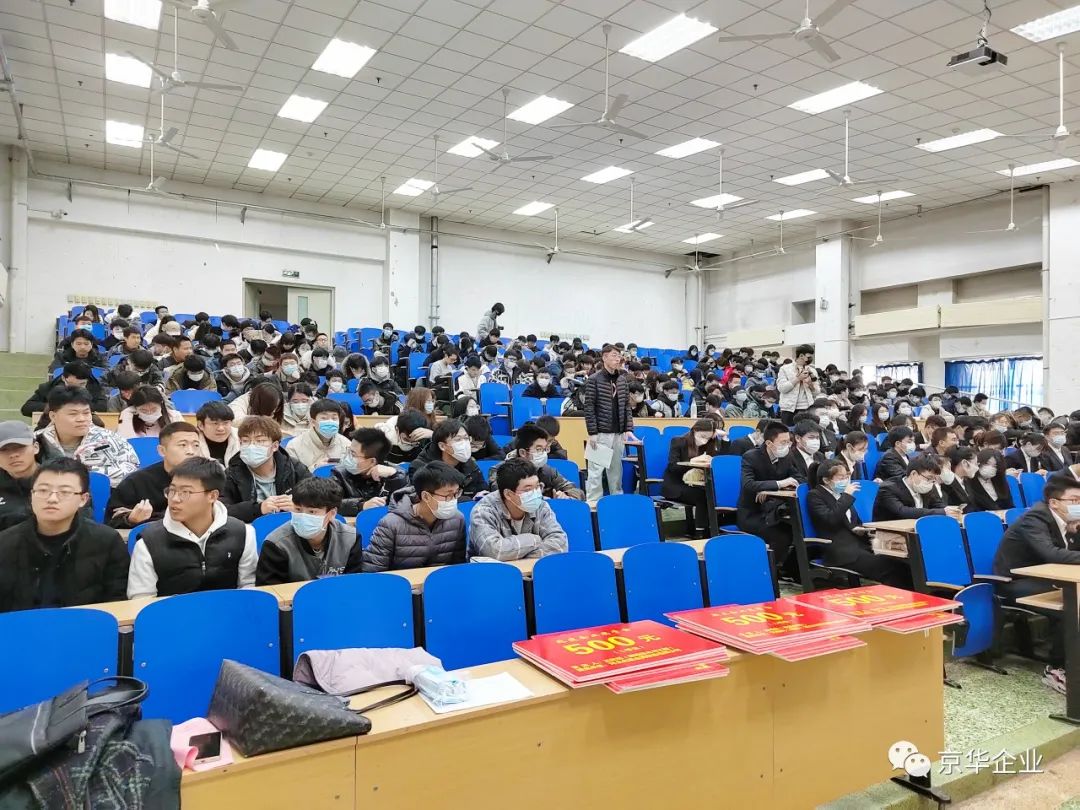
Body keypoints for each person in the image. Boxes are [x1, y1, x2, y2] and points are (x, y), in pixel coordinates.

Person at [0, 458, 129, 612]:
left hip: (84, 624)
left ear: (83, 499)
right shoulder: (5, 543)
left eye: (65, 492)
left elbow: (116, 601)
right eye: (43, 490)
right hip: (19, 626)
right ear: (31, 495)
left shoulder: (107, 542)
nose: (52, 499)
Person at [992, 474, 1080, 694]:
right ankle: (1056, 669)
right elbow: (1051, 553)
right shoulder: (1035, 518)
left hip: (1046, 579)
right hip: (1015, 582)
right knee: (1069, 607)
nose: (1078, 505)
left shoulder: (1065, 520)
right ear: (1054, 502)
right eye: (1074, 500)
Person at [128, 457, 258, 598]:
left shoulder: (243, 533)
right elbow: (142, 600)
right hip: (173, 612)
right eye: (172, 490)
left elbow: (249, 588)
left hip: (228, 610)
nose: (175, 499)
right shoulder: (149, 542)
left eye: (185, 492)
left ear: (212, 496)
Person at [808, 459, 912, 588]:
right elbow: (831, 519)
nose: (846, 481)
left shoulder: (840, 495)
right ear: (826, 480)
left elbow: (853, 521)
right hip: (841, 551)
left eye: (847, 476)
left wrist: (860, 529)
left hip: (859, 545)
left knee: (903, 563)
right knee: (888, 568)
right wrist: (847, 496)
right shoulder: (815, 496)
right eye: (841, 478)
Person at [363, 461, 466, 572]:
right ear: (426, 496)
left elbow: (458, 567)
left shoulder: (457, 519)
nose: (453, 500)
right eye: (448, 495)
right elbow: (374, 571)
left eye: (456, 493)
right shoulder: (391, 524)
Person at [255, 478, 362, 584]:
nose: (303, 516)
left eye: (312, 512)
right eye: (298, 509)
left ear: (332, 513)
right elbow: (270, 589)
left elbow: (353, 584)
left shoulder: (350, 538)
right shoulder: (276, 544)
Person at [105, 422, 204, 528]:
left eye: (196, 445)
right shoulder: (137, 482)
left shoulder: (207, 478)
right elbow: (113, 520)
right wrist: (130, 519)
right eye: (183, 445)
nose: (191, 451)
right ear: (162, 451)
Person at [36, 386, 138, 486]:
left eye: (86, 413)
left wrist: (86, 473)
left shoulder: (110, 439)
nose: (81, 419)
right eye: (73, 414)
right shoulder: (36, 441)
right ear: (53, 416)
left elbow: (132, 470)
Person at [469, 457, 568, 560]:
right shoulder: (483, 511)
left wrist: (519, 557)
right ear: (508, 494)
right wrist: (534, 540)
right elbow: (494, 551)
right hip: (494, 570)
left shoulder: (541, 505)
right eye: (528, 489)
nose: (536, 493)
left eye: (537, 487)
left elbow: (560, 543)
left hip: (532, 569)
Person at [736, 421, 801, 577]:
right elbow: (748, 484)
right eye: (783, 442)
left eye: (789, 441)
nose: (787, 445)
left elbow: (799, 478)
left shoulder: (787, 456)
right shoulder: (751, 457)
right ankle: (769, 572)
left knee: (798, 528)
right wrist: (779, 484)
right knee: (781, 535)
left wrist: (771, 489)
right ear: (769, 443)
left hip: (775, 509)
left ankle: (790, 569)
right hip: (753, 513)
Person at [221, 416, 311, 521]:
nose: (251, 446)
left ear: (275, 446)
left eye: (260, 441)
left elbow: (319, 497)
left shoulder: (294, 467)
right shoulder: (231, 473)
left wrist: (299, 506)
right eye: (245, 441)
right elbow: (220, 510)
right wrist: (258, 509)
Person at [583, 344, 636, 506]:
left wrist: (628, 428)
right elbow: (589, 407)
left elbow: (626, 406)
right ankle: (593, 501)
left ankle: (616, 499)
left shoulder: (622, 379)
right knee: (596, 470)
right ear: (604, 357)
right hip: (601, 432)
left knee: (616, 469)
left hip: (618, 432)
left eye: (619, 356)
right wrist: (592, 432)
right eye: (614, 355)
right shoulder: (594, 379)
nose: (617, 359)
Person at [0, 421, 73, 531]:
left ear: (36, 447)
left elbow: (81, 521)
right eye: (4, 450)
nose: (13, 455)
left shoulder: (65, 477)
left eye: (20, 447)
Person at [661, 419, 723, 534]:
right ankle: (701, 531)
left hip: (697, 483)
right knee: (703, 495)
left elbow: (721, 459)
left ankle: (716, 527)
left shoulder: (708, 444)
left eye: (708, 438)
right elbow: (672, 467)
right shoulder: (678, 441)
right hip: (676, 484)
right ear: (695, 430)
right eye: (702, 436)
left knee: (714, 493)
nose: (704, 441)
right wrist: (693, 461)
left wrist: (722, 439)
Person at [492, 423, 584, 500]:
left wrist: (566, 495)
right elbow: (502, 497)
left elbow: (576, 491)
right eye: (539, 449)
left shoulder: (547, 471)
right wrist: (541, 499)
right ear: (523, 452)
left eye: (545, 449)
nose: (543, 454)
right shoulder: (499, 471)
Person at [332, 428, 409, 516]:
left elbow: (406, 504)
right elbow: (329, 503)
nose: (348, 457)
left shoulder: (395, 474)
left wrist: (395, 477)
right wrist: (361, 505)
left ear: (372, 461)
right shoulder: (339, 473)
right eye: (348, 450)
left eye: (353, 454)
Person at [409, 418, 486, 500]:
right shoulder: (422, 467)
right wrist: (466, 499)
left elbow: (483, 490)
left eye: (466, 438)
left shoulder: (470, 464)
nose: (464, 443)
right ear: (442, 446)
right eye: (458, 439)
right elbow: (425, 500)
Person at [872, 455, 961, 521]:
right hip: (889, 534)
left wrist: (951, 511)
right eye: (929, 478)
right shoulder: (888, 488)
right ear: (913, 474)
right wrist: (942, 512)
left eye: (934, 479)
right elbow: (902, 511)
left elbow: (938, 506)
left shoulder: (929, 485)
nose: (931, 482)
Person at [21, 360, 108, 417]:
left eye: (82, 384)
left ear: (88, 380)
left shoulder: (96, 387)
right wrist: (58, 407)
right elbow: (27, 408)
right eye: (71, 384)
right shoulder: (49, 387)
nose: (76, 388)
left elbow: (102, 407)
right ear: (63, 378)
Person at [286, 398, 352, 471]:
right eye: (324, 418)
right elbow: (292, 476)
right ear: (313, 422)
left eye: (334, 418)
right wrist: (315, 468)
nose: (330, 422)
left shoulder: (347, 445)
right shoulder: (294, 447)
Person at [117, 385, 183, 439]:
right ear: (135, 408)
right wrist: (126, 415)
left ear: (161, 404)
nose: (149, 413)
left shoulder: (174, 417)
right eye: (143, 410)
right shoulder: (127, 416)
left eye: (154, 409)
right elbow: (125, 444)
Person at [776, 344, 818, 425]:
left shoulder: (812, 370)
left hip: (806, 407)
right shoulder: (785, 369)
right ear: (801, 355)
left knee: (806, 431)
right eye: (808, 357)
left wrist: (810, 384)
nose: (810, 359)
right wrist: (798, 379)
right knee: (788, 430)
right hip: (788, 408)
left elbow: (816, 392)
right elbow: (782, 388)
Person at [196, 400, 240, 464]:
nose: (221, 428)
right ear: (201, 425)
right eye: (215, 423)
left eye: (225, 423)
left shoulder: (241, 437)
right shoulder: (191, 441)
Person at [942, 447, 980, 512]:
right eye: (975, 463)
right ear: (964, 463)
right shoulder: (946, 483)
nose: (977, 467)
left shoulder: (966, 480)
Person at [789, 419, 825, 485]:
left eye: (817, 438)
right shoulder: (789, 457)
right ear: (798, 438)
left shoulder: (820, 456)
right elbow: (797, 479)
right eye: (811, 437)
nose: (815, 441)